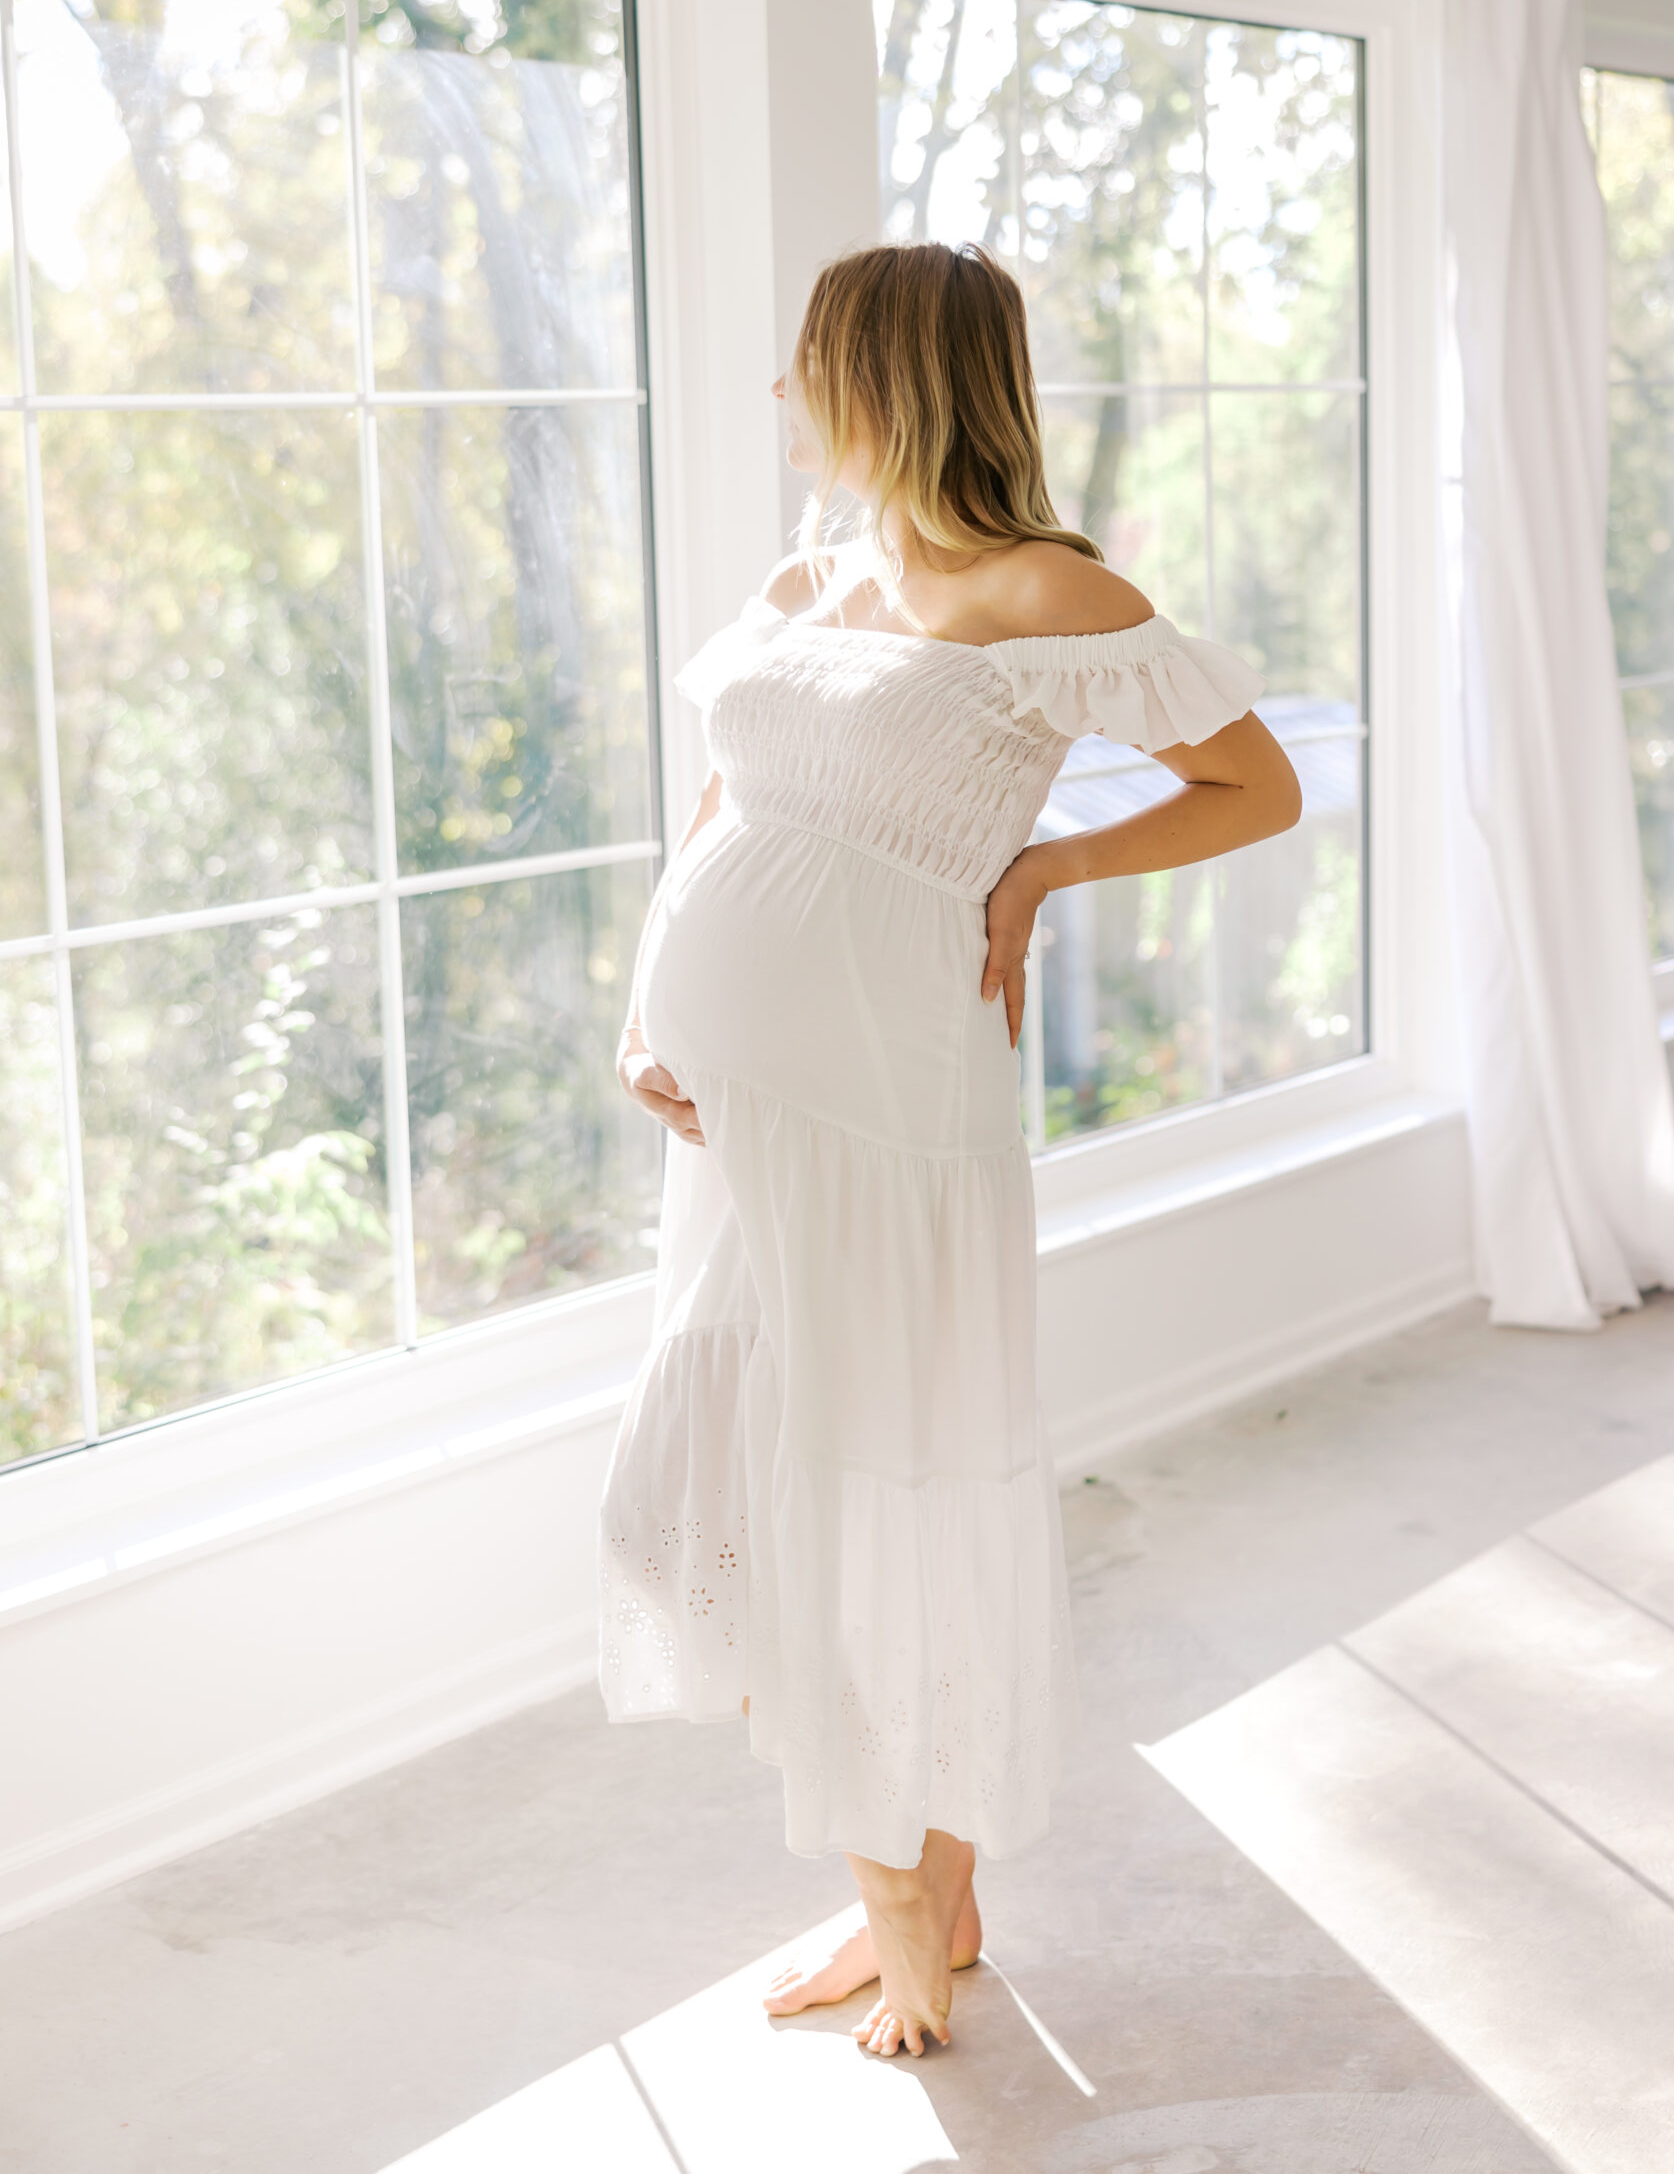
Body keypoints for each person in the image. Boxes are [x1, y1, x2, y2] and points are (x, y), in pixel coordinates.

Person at [598, 243, 1302, 2058]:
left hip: (894, 1106)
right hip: (746, 1117)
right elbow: (725, 800)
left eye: (810, 364)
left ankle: (915, 1922)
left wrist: (1052, 859)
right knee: (749, 1479)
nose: (783, 400)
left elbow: (1257, 784)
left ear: (892, 379)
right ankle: (911, 1888)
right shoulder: (802, 577)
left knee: (878, 1476)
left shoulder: (1039, 591)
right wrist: (648, 1006)